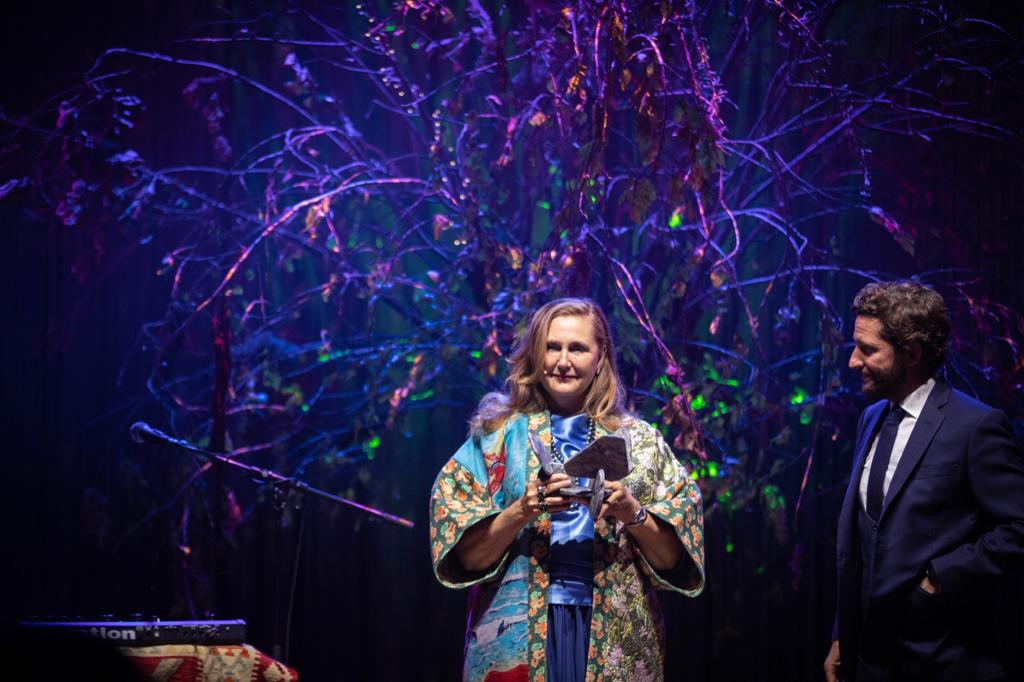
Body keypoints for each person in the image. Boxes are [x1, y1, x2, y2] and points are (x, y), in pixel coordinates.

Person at [430, 297, 704, 682]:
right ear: (535, 353)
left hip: (615, 634)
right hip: (517, 635)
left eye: (577, 348)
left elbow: (676, 560)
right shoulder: (496, 439)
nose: (562, 361)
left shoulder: (642, 444)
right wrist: (521, 510)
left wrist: (632, 513)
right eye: (551, 347)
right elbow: (463, 557)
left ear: (600, 356)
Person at [825, 281, 1024, 682]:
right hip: (869, 661)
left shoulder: (976, 426)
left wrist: (940, 579)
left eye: (867, 349)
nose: (853, 361)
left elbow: (1019, 526)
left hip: (942, 661)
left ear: (911, 354)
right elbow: (864, 540)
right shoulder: (871, 418)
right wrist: (842, 634)